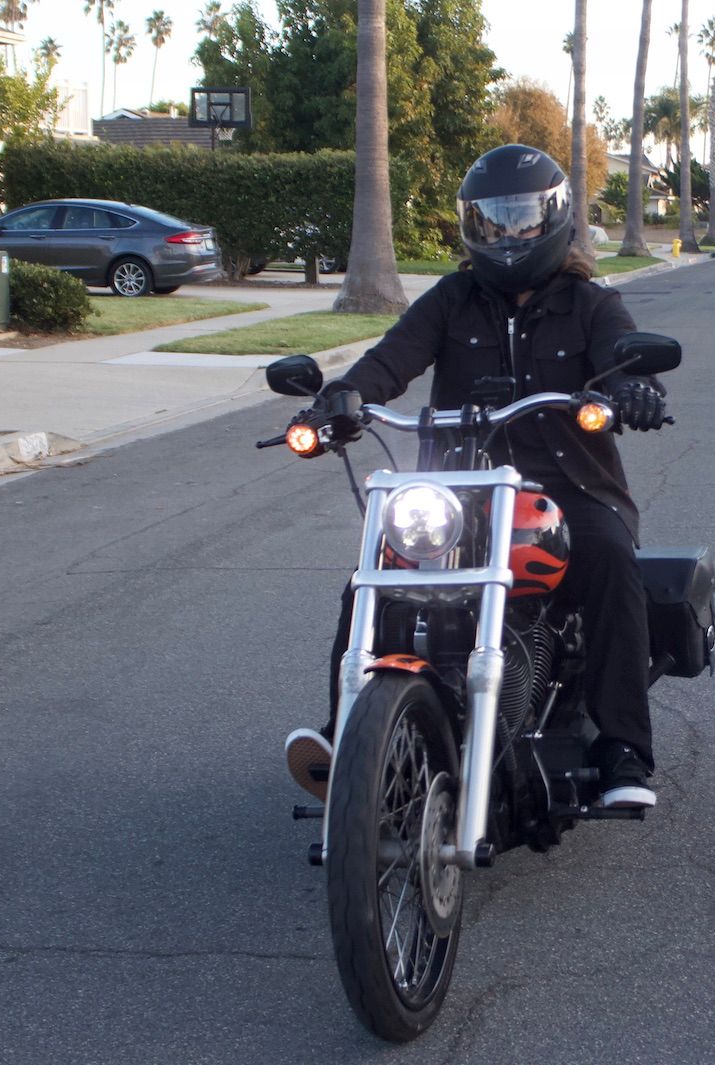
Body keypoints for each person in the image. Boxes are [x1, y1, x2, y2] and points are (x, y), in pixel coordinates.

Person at [282, 144, 669, 810]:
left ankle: (623, 747)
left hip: (569, 487)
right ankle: (350, 732)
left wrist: (633, 387)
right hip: (458, 492)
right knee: (371, 579)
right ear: (472, 226)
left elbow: (621, 356)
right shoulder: (451, 300)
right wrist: (339, 402)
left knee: (609, 559)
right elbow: (389, 360)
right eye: (494, 220)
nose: (508, 234)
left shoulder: (590, 305)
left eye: (521, 219)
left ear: (552, 220)